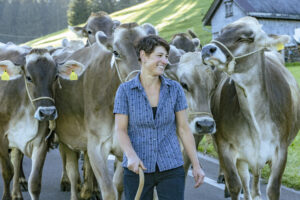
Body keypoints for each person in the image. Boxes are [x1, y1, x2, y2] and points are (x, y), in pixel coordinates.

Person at [114, 35, 205, 200]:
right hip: (137, 168)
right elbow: (121, 130)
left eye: (166, 57)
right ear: (143, 56)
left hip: (171, 166)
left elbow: (184, 129)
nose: (165, 61)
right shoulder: (125, 91)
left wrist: (196, 165)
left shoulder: (175, 89)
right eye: (160, 56)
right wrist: (131, 155)